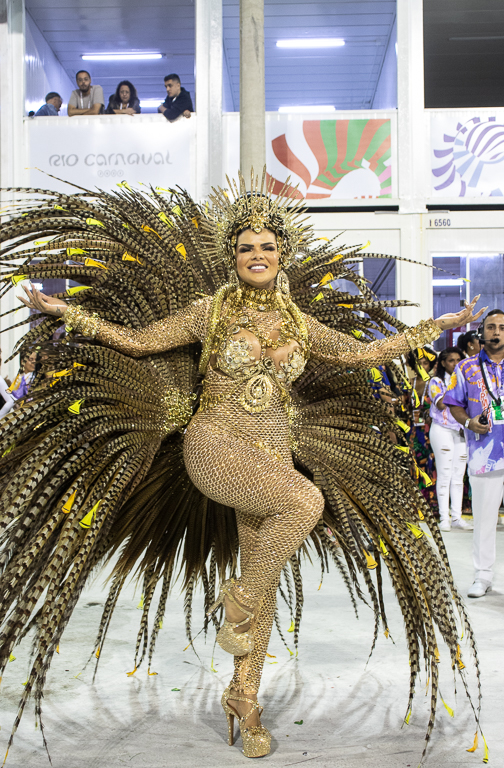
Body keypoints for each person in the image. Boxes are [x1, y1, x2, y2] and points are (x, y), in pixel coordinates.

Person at [0, 178, 484, 763]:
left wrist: (440, 325)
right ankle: (237, 596)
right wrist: (64, 310)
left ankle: (244, 695)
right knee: (304, 505)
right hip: (216, 440)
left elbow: (362, 353)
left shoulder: (301, 324)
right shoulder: (208, 312)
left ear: (283, 255)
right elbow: (137, 341)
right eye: (246, 247)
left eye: (268, 246)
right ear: (232, 255)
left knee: (266, 586)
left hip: (274, 448)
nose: (258, 256)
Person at [445, 309, 504, 598]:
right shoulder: (466, 368)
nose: (496, 332)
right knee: (483, 517)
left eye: (502, 327)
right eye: (491, 327)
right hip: (484, 453)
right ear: (481, 333)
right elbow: (453, 403)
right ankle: (483, 575)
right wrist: (469, 423)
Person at [428, 347, 471, 531]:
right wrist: (454, 383)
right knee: (444, 474)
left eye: (458, 360)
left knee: (458, 476)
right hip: (442, 430)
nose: (455, 364)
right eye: (451, 361)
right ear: (443, 363)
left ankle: (457, 517)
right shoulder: (435, 381)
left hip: (461, 430)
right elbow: (441, 403)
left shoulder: (467, 382)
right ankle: (444, 518)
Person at [405, 346, 439, 512]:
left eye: (425, 363)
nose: (422, 366)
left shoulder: (434, 383)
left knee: (429, 465)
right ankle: (414, 502)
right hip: (411, 431)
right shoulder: (408, 383)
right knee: (412, 464)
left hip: (428, 431)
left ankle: (430, 502)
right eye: (419, 363)